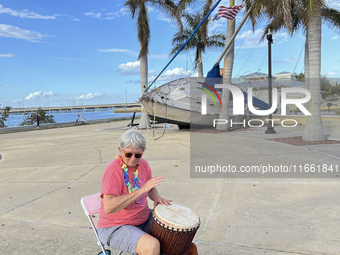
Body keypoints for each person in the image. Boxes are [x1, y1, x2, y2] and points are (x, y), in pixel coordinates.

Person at [97, 128, 172, 255]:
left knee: (172, 231)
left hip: (143, 219)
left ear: (143, 151)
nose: (133, 159)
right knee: (152, 246)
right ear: (120, 150)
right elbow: (108, 207)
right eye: (128, 154)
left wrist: (157, 198)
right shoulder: (113, 170)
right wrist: (142, 190)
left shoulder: (144, 164)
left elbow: (150, 187)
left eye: (138, 155)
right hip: (114, 226)